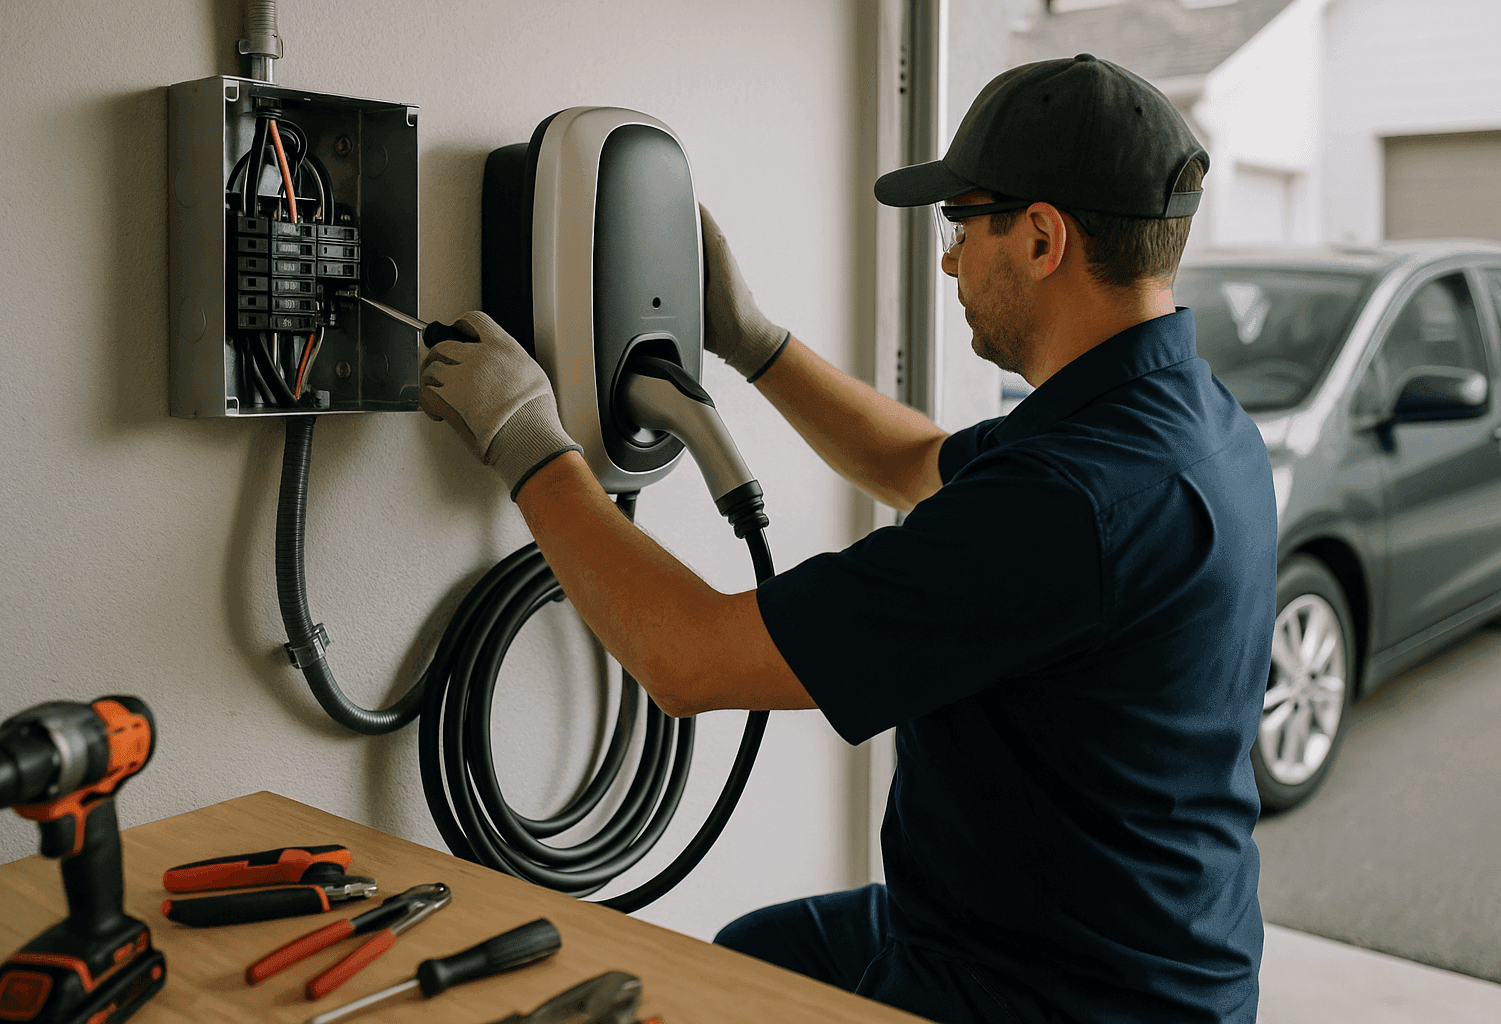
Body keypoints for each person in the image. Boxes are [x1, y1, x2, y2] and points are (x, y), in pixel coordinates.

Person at [420, 53, 1276, 1024]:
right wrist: (754, 341)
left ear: (1042, 238)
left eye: (962, 225)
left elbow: (687, 659)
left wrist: (527, 442)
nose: (948, 260)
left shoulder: (1066, 500)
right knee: (755, 956)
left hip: (1063, 994)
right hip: (1109, 931)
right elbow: (916, 462)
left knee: (713, 1001)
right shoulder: (1177, 416)